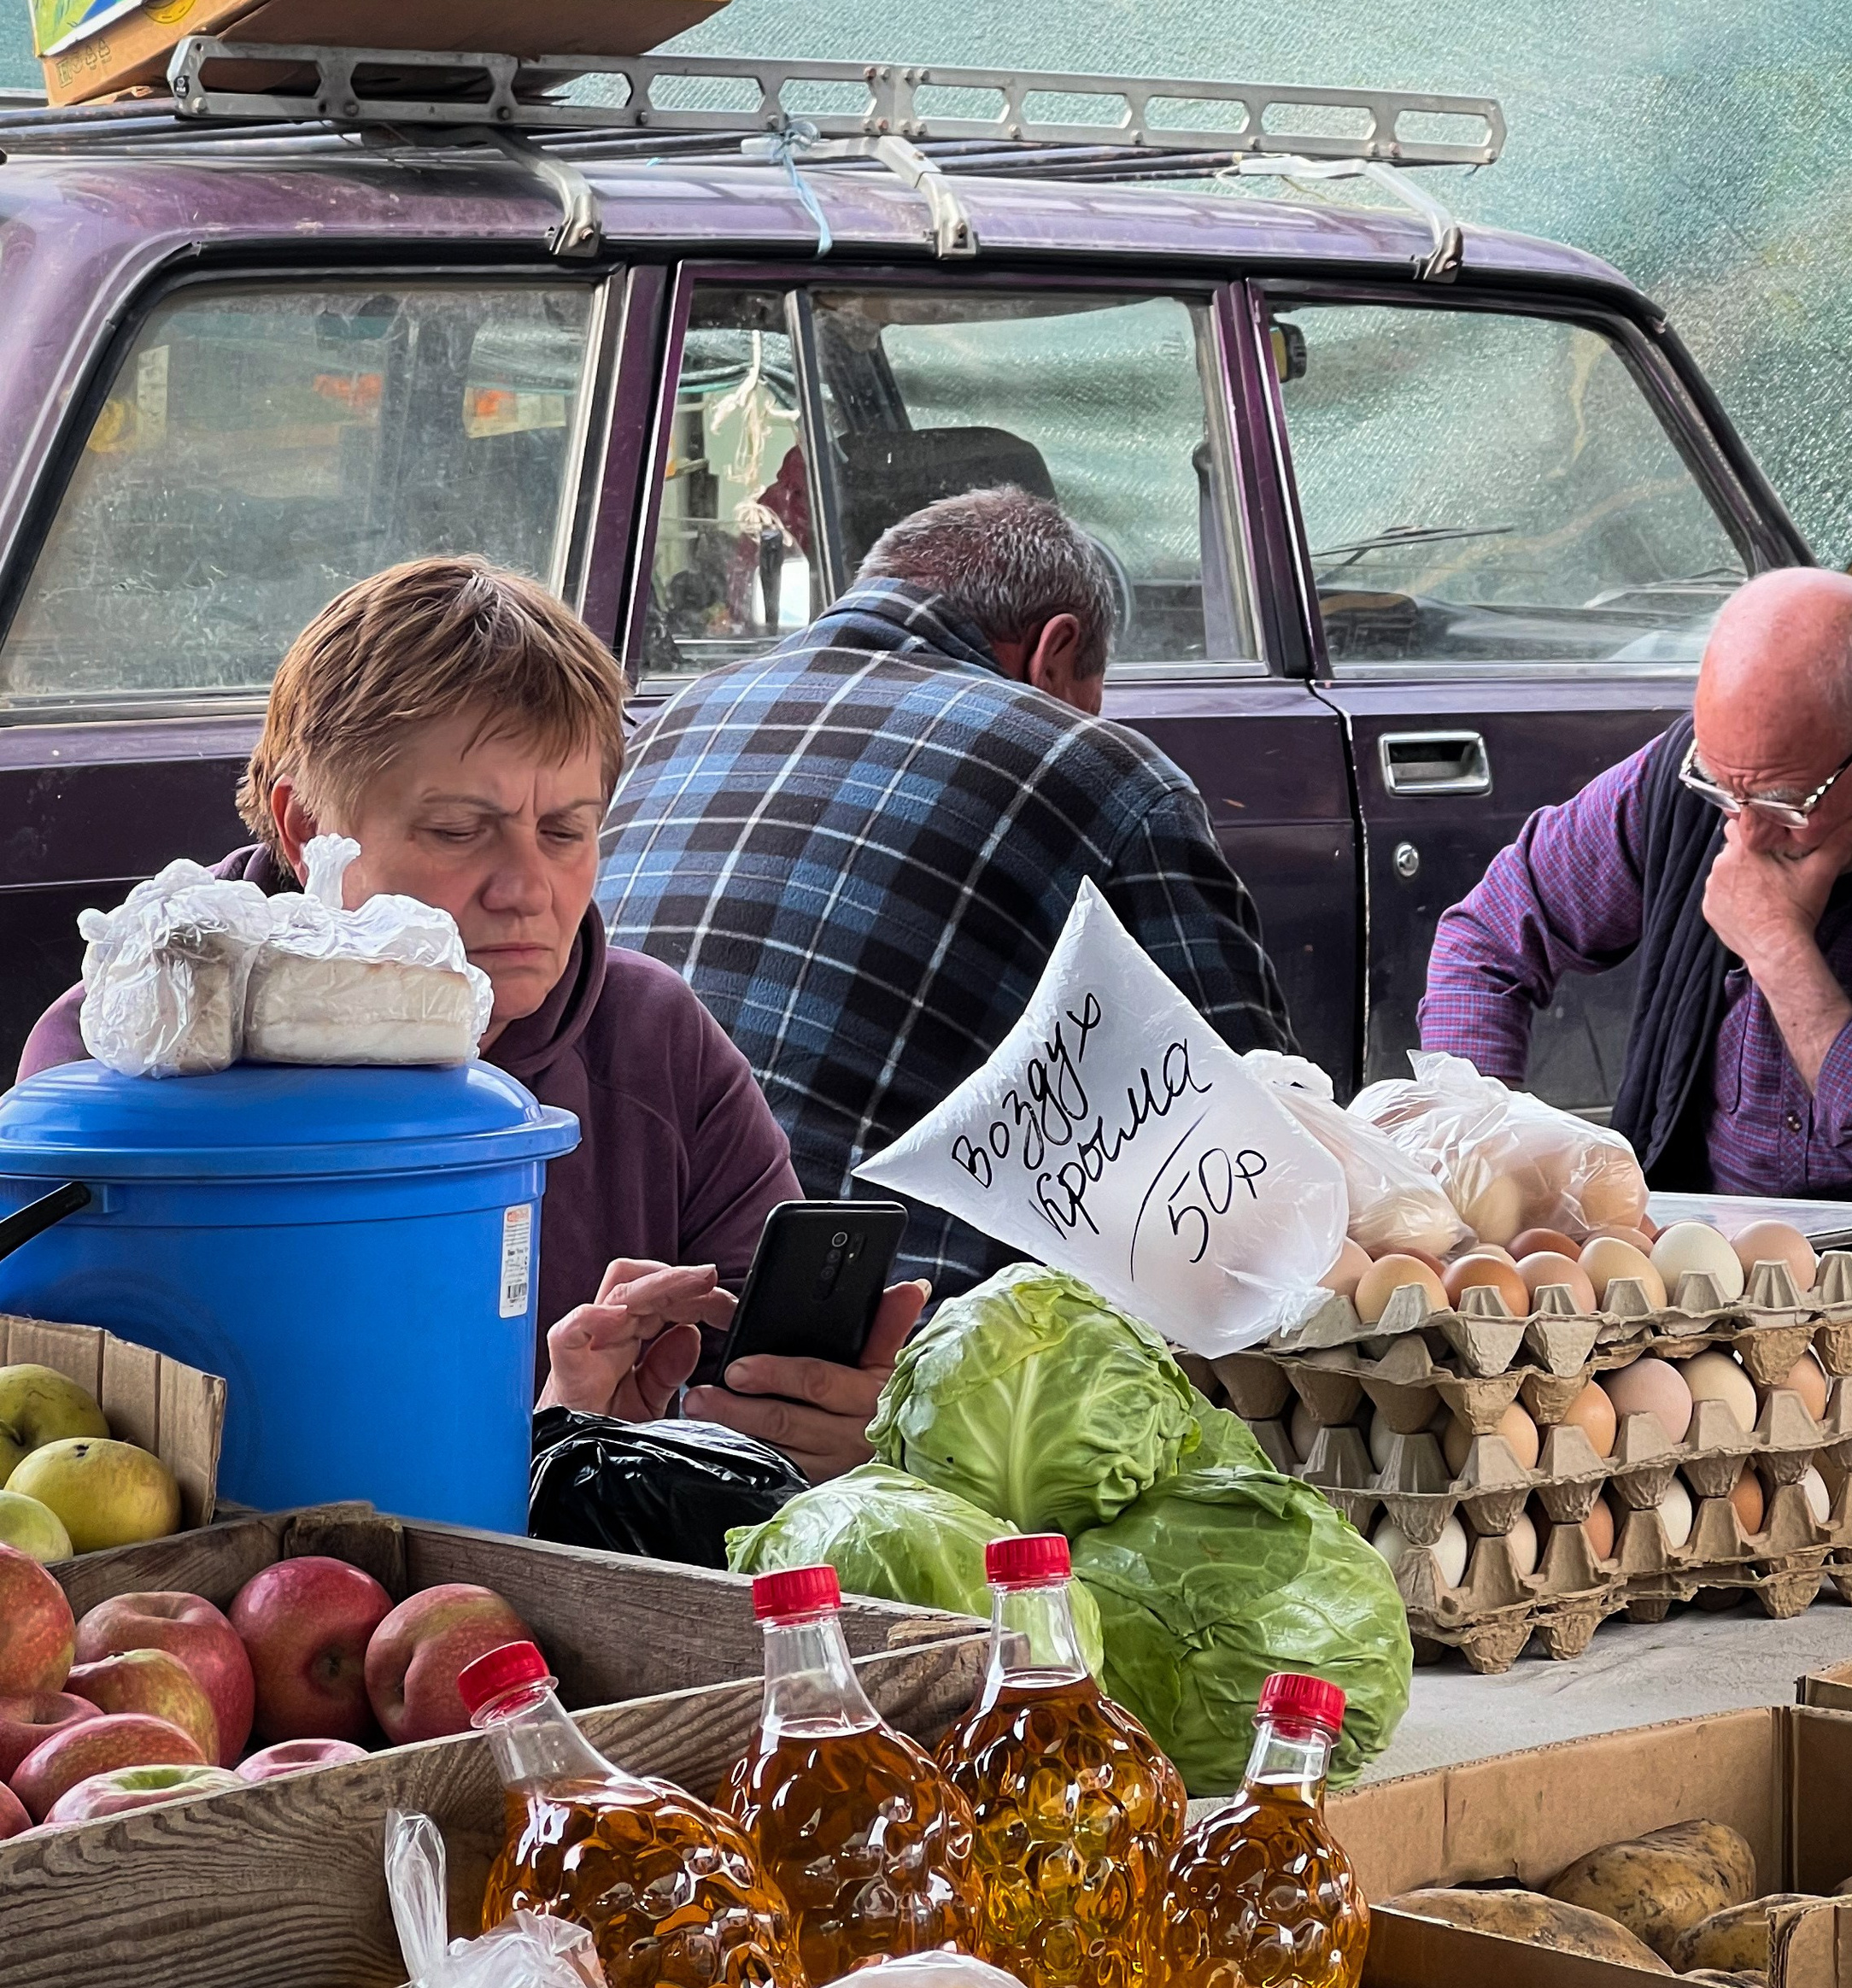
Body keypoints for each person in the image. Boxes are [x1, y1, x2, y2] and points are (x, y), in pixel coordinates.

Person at [18, 557, 922, 1475]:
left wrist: (822, 1426)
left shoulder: (653, 1039)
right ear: (304, 826)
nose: (527, 888)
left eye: (566, 830)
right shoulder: (129, 1055)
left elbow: (760, 1389)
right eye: (458, 830)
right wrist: (549, 1449)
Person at [595, 484, 1297, 1297]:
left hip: (600, 1332)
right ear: (1054, 649)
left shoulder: (671, 724)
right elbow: (1263, 1138)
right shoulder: (1101, 770)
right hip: (854, 1355)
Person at [1418, 567, 1852, 1276]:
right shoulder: (1703, 782)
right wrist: (1482, 1142)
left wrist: (1779, 951)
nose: (1746, 835)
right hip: (1701, 1241)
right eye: (1723, 787)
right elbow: (1488, 938)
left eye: (1790, 799)